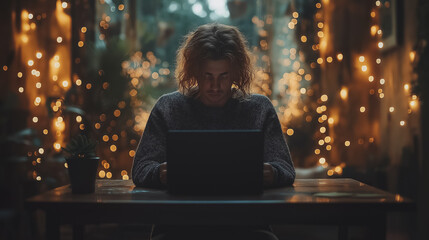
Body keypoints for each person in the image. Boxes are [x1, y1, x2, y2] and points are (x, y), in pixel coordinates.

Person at [132, 23, 295, 240]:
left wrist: (272, 173)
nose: (215, 86)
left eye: (224, 76)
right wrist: (159, 173)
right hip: (177, 226)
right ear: (194, 72)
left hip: (247, 225)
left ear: (237, 73)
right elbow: (141, 169)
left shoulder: (259, 108)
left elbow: (285, 168)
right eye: (208, 75)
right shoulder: (168, 107)